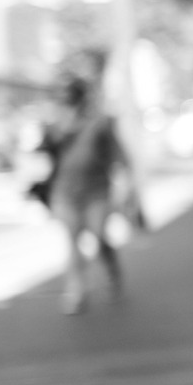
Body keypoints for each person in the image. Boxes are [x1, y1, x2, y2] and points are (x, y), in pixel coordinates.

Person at [40, 77, 141, 315]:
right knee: (72, 241)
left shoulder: (100, 124)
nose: (67, 103)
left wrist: (127, 182)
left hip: (96, 192)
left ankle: (111, 272)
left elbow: (120, 154)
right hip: (65, 193)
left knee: (98, 236)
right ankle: (77, 291)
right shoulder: (56, 126)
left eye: (71, 98)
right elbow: (44, 157)